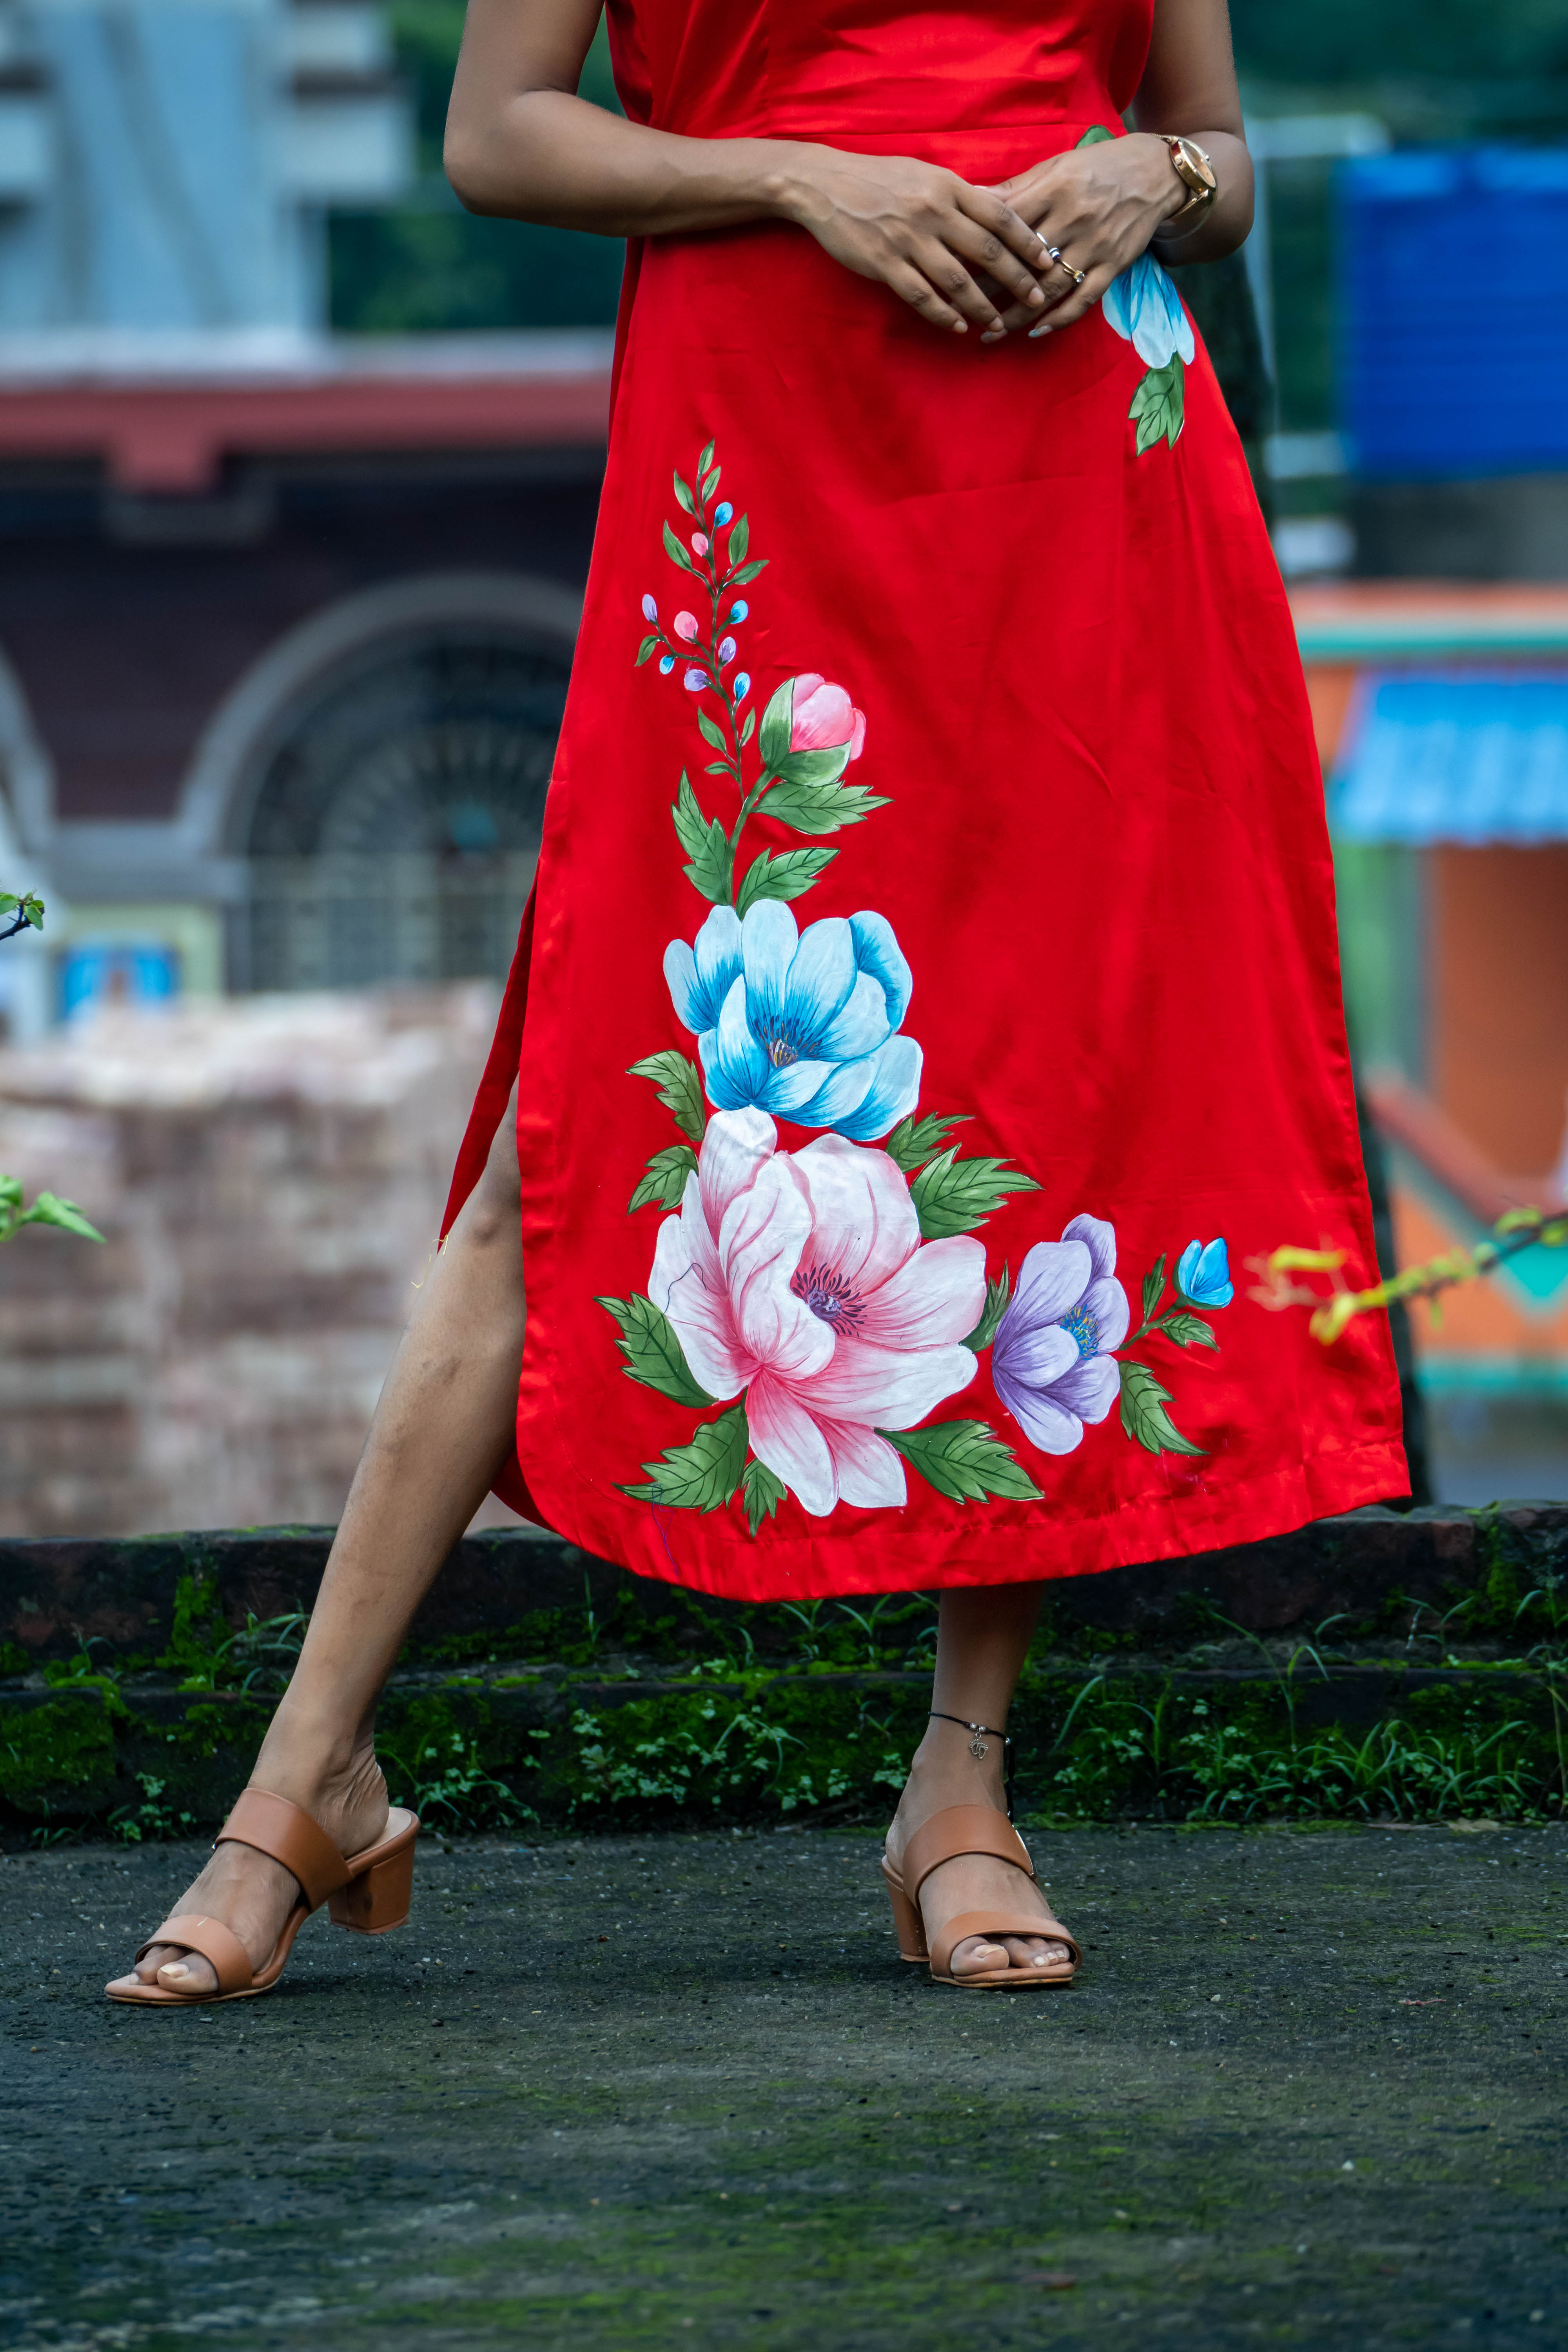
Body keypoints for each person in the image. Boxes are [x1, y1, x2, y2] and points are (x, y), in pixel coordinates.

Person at [109, 0, 1405, 2005]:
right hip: (758, 473)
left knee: (1043, 1112)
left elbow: (1216, 152)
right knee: (597, 1116)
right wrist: (802, 178)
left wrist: (1142, 178)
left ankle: (960, 1787)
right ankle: (306, 1776)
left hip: (1083, 475)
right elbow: (498, 137)